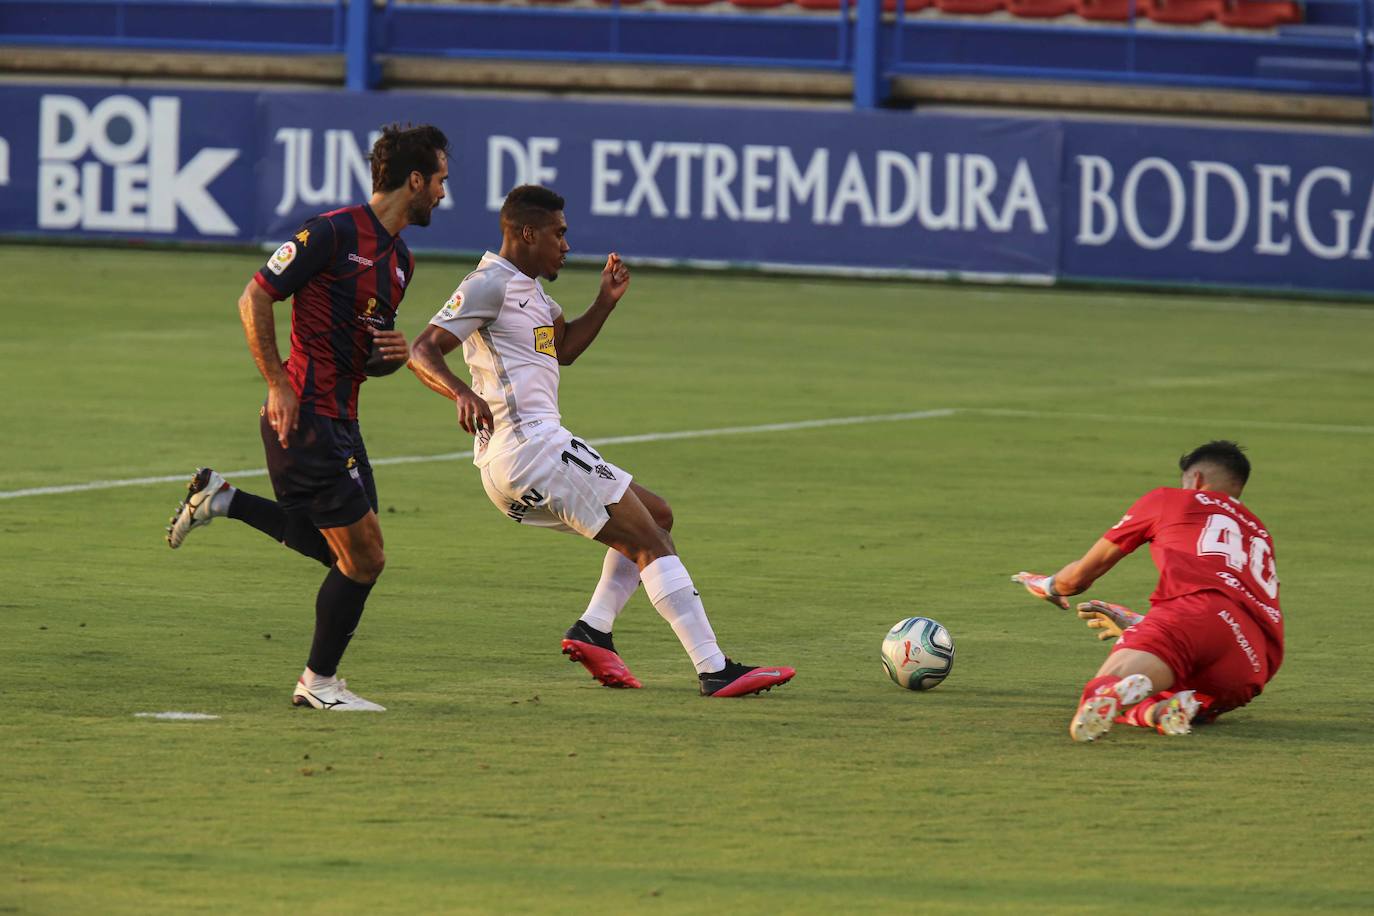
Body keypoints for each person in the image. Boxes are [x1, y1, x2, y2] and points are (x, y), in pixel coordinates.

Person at [407, 184, 795, 698]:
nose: (566, 245)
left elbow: (563, 349)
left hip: (519, 461)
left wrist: (604, 303)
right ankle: (714, 668)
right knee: (651, 543)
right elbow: (423, 348)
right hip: (531, 449)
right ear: (527, 232)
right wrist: (460, 392)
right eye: (558, 233)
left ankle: (594, 629)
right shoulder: (489, 284)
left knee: (656, 517)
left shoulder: (537, 296)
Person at [164, 124, 451, 712]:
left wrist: (388, 358)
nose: (446, 193)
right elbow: (255, 297)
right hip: (303, 418)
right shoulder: (330, 232)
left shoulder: (401, 261)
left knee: (339, 555)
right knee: (365, 558)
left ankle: (223, 499)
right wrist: (277, 383)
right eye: (441, 179)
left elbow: (361, 351)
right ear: (415, 181)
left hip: (344, 421)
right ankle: (317, 683)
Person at [1012, 441, 1282, 742]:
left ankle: (1117, 691)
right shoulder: (1259, 533)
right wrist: (1143, 625)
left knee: (1101, 690)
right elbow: (1230, 608)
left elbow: (1076, 579)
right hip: (1252, 662)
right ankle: (1161, 711)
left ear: (1195, 480)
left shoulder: (1170, 500)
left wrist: (1047, 584)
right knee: (1169, 699)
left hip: (1193, 614)